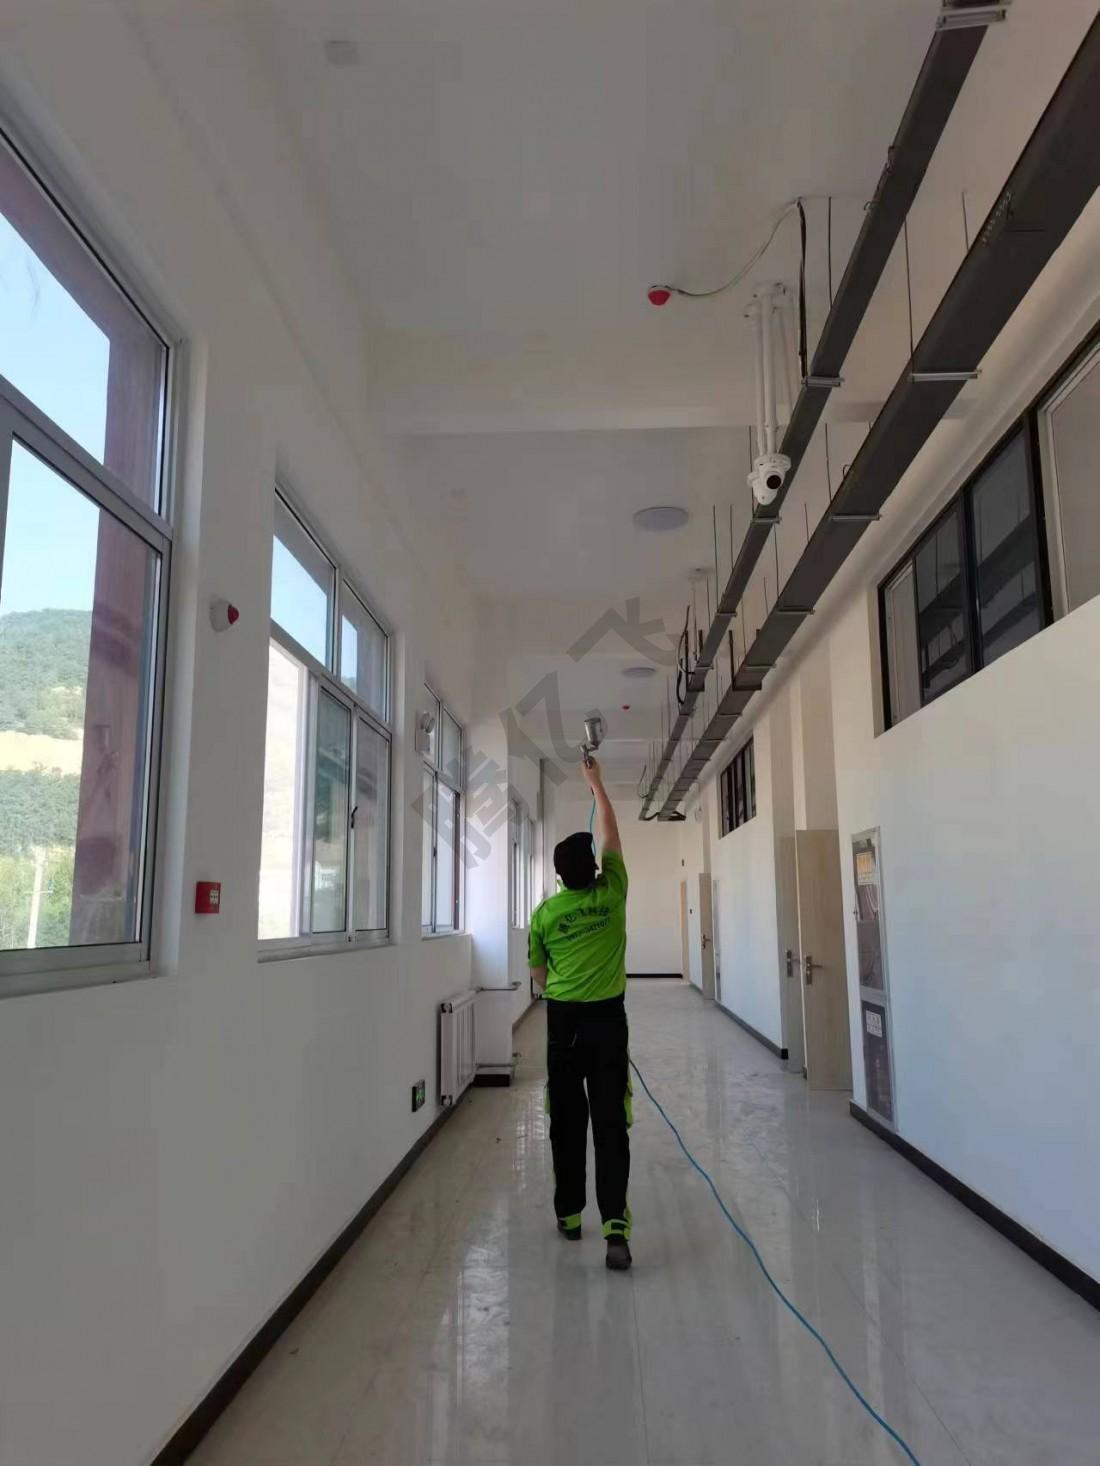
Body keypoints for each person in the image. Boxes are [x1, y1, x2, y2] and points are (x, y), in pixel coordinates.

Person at [528, 757, 632, 1271]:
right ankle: (616, 1228)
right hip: (608, 1022)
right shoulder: (613, 893)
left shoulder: (546, 914)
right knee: (611, 1122)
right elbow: (611, 833)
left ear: (558, 877)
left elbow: (538, 975)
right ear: (594, 870)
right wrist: (596, 784)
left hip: (563, 1022)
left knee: (567, 1122)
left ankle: (569, 1216)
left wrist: (565, 985)